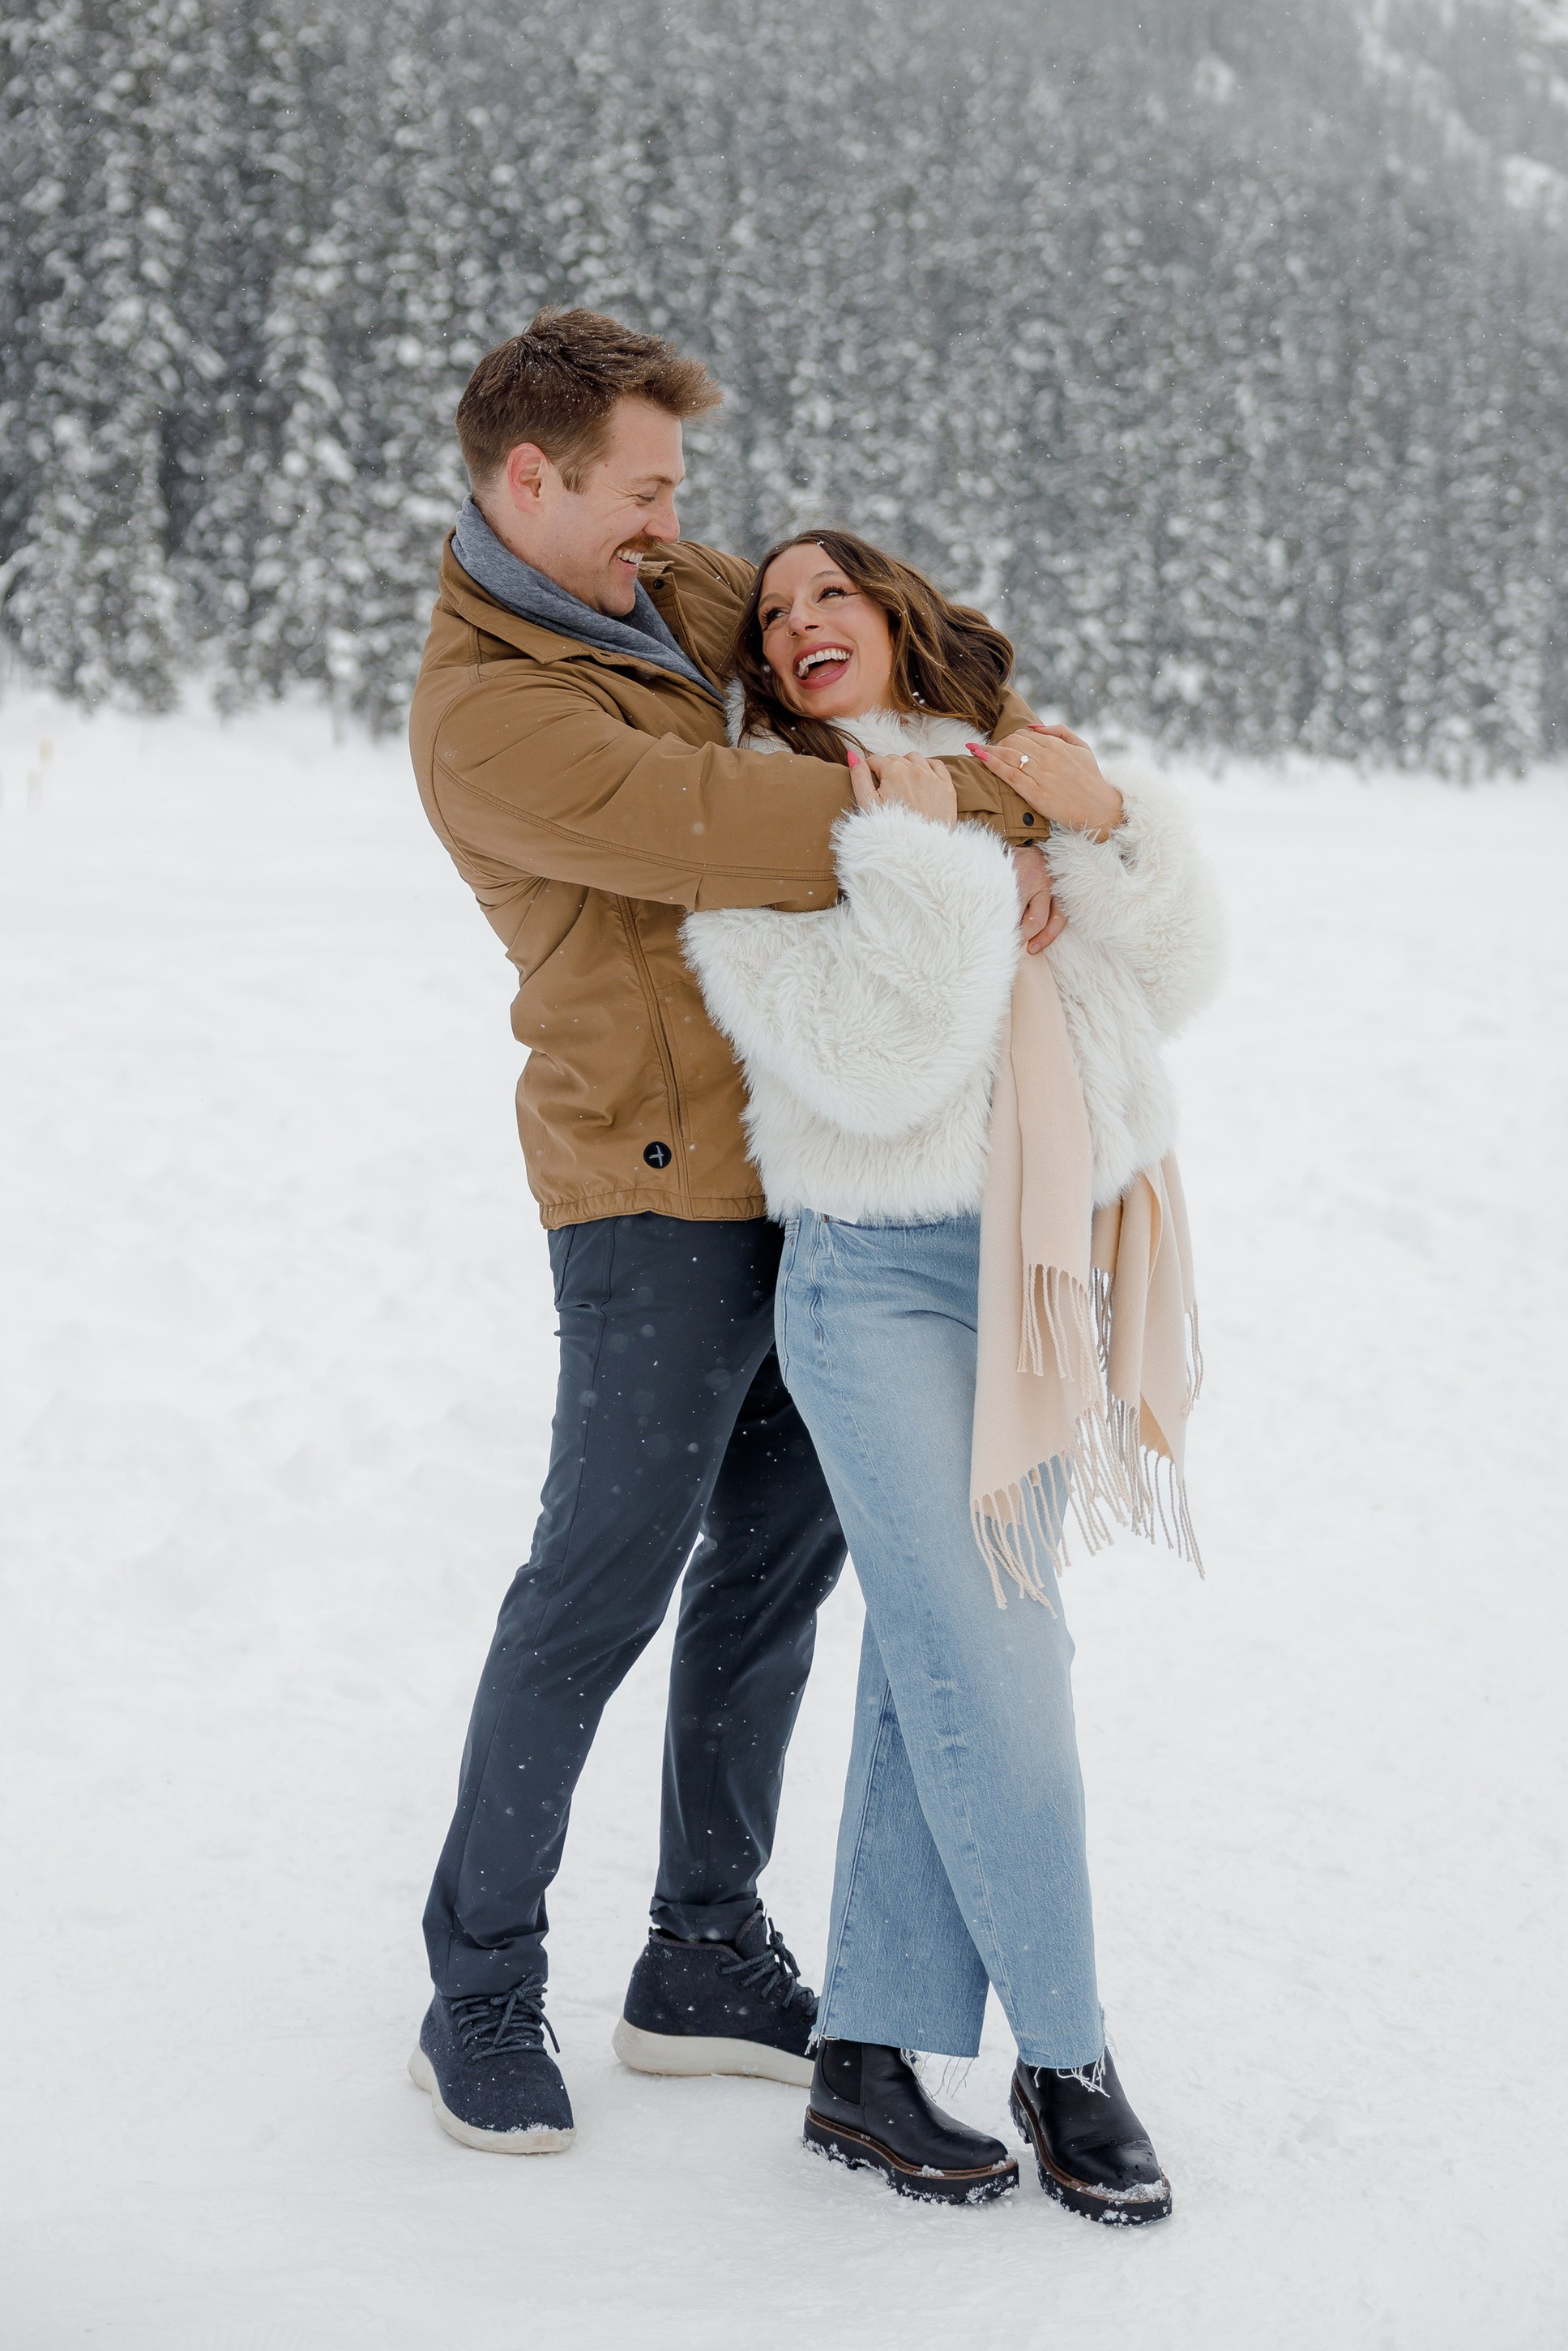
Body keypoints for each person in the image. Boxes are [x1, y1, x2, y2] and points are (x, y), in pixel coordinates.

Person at [404, 312, 1060, 2155]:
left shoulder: (651, 587)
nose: (673, 529)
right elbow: (762, 816)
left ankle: (701, 1946)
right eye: (640, 491)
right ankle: (476, 1983)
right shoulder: (492, 713)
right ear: (529, 480)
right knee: (600, 1573)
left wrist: (1016, 745)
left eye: (674, 495)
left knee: (775, 1565)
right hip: (647, 1181)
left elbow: (843, 676)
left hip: (804, 1157)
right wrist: (1005, 811)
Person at [681, 530, 1224, 2225]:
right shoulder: (769, 821)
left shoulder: (1014, 775)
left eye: (824, 594)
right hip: (880, 1283)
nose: (795, 626)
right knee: (999, 1660)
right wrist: (973, 880)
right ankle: (1067, 2058)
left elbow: (1172, 983)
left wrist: (1107, 826)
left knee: (939, 1666)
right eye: (769, 619)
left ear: (894, 613)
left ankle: (863, 2058)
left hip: (1040, 1269)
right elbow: (883, 1052)